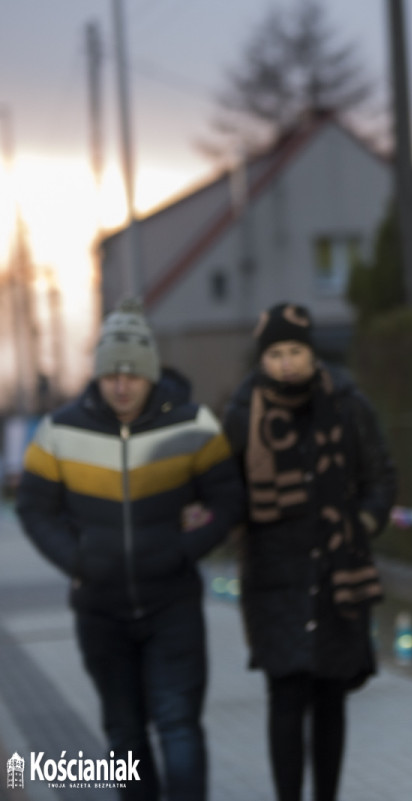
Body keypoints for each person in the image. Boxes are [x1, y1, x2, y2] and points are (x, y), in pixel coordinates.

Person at [17, 298, 243, 801]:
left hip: (173, 605)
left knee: (179, 725)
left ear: (150, 373)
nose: (121, 385)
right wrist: (76, 560)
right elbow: (35, 508)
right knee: (124, 737)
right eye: (111, 374)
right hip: (100, 611)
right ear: (97, 374)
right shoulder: (59, 432)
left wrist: (186, 549)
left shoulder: (194, 425)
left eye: (133, 375)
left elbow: (228, 498)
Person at [221, 303, 396, 801]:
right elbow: (224, 488)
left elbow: (379, 474)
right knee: (284, 695)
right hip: (272, 577)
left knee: (329, 696)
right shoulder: (241, 413)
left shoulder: (346, 403)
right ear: (262, 358)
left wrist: (362, 523)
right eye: (275, 352)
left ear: (312, 353)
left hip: (337, 571)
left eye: (295, 350)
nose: (286, 361)